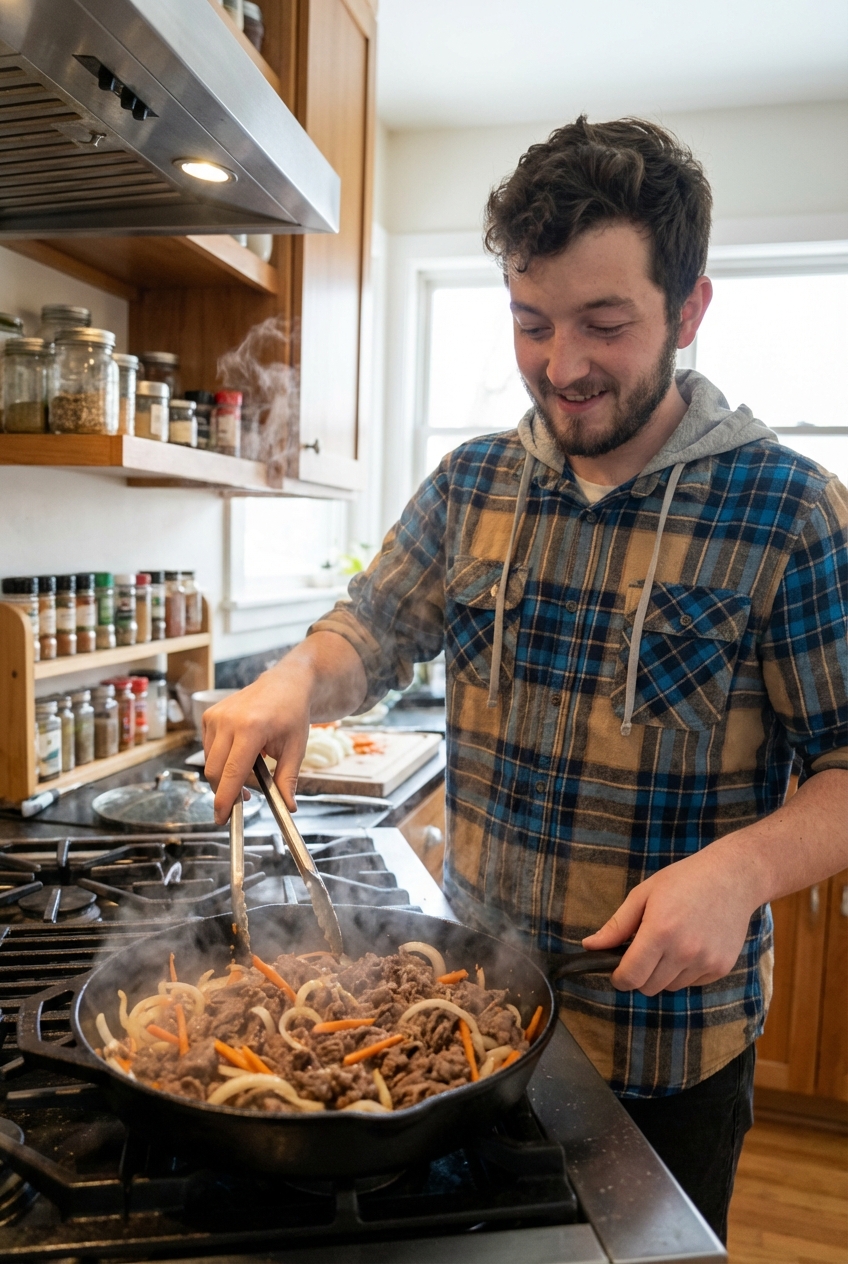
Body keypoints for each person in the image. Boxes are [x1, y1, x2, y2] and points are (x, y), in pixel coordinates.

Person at [203, 116, 848, 1240]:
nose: (562, 365)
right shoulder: (474, 481)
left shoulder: (787, 512)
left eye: (605, 323)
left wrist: (741, 870)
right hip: (467, 1029)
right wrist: (293, 683)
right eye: (529, 322)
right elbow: (373, 624)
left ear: (688, 310)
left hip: (664, 1055)